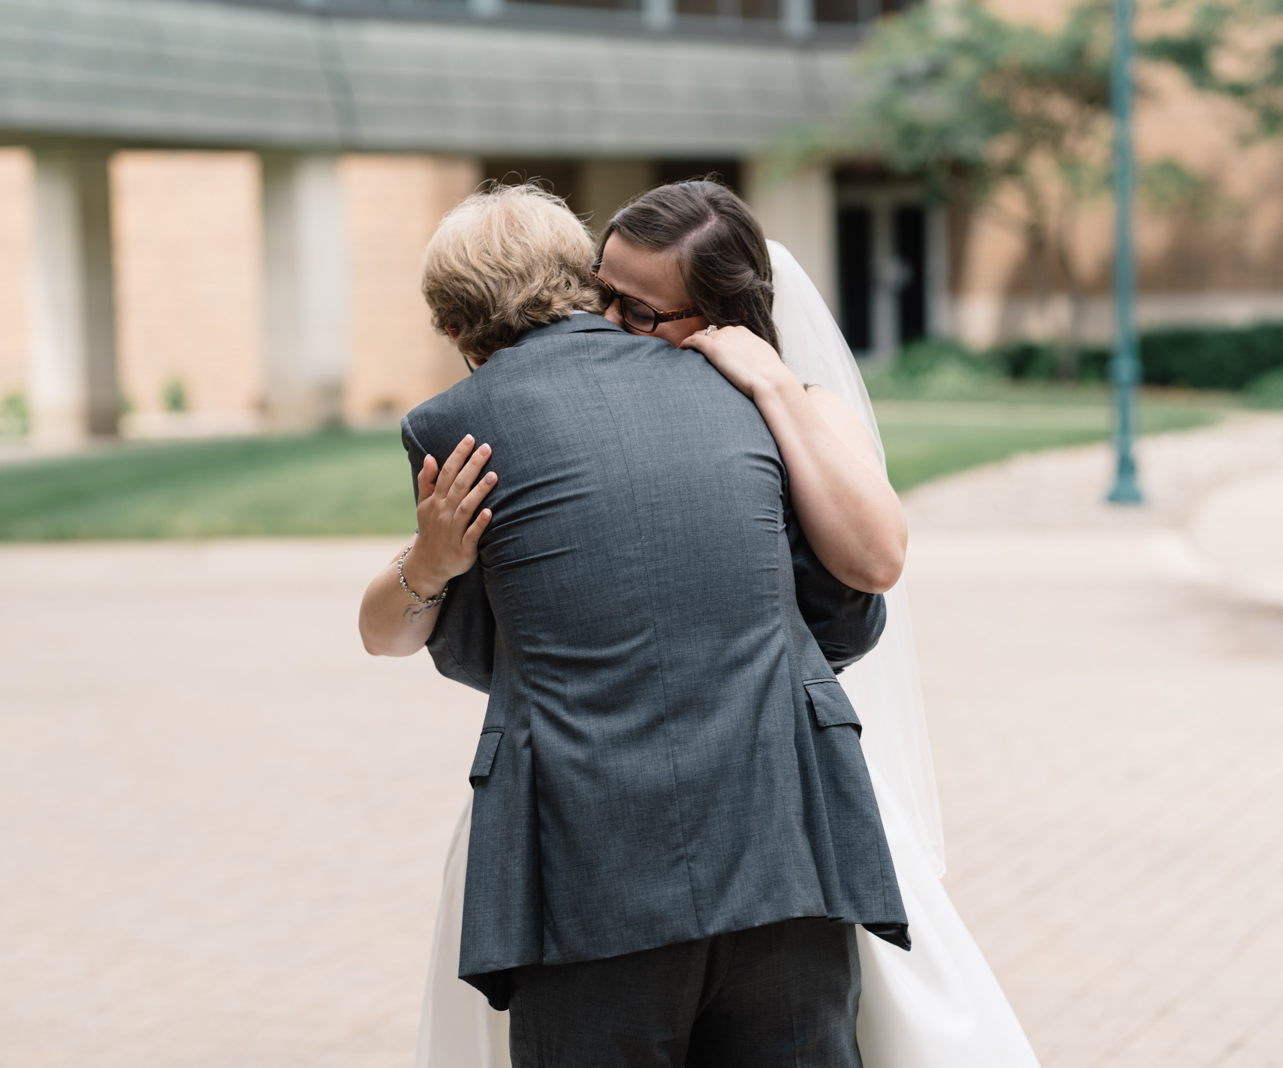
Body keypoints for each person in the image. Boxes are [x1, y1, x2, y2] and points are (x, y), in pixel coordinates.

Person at [359, 182, 907, 1067]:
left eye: (636, 305)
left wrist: (435, 568)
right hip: (789, 849)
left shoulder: (456, 427)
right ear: (576, 279)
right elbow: (847, 616)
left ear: (452, 330)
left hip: (590, 878)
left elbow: (436, 641)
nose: (616, 317)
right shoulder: (744, 393)